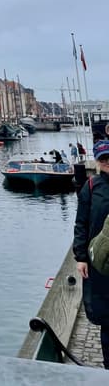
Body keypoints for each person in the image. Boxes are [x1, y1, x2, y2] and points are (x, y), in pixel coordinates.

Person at [74, 140, 109, 368]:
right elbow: (81, 223)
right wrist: (80, 257)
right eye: (103, 159)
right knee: (106, 317)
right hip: (99, 260)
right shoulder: (91, 186)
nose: (108, 163)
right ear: (97, 161)